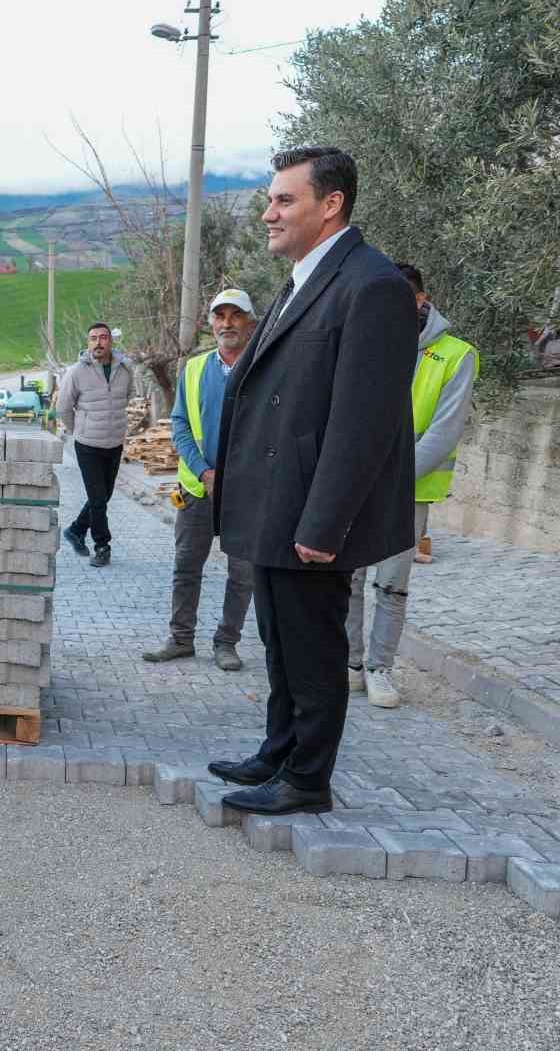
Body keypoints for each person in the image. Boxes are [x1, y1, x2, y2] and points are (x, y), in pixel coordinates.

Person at [207, 147, 418, 816]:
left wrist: (325, 526)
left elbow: (366, 421)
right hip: (271, 502)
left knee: (313, 648)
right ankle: (278, 751)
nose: (268, 213)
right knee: (279, 641)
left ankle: (306, 781)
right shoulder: (305, 276)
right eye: (270, 199)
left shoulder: (371, 284)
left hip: (307, 515)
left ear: (331, 204)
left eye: (284, 201)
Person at [345, 262, 479, 709]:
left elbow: (444, 431)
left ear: (422, 300)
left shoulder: (457, 354)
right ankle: (350, 664)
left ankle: (380, 669)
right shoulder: (365, 343)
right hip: (357, 483)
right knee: (348, 577)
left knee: (392, 584)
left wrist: (388, 478)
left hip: (410, 489)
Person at [143, 290, 257, 673]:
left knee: (242, 573)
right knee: (187, 566)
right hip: (196, 489)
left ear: (250, 322)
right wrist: (204, 472)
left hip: (247, 493)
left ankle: (227, 642)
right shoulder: (193, 370)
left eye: (235, 315)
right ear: (210, 324)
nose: (227, 322)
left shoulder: (265, 367)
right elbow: (180, 425)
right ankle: (180, 639)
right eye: (219, 316)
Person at [58, 323, 136, 568]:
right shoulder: (76, 372)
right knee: (98, 498)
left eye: (103, 337)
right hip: (88, 444)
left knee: (104, 495)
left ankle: (75, 530)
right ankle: (102, 546)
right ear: (88, 342)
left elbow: (128, 396)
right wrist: (78, 430)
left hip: (114, 443)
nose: (98, 343)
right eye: (93, 338)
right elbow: (62, 408)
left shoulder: (125, 368)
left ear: (111, 341)